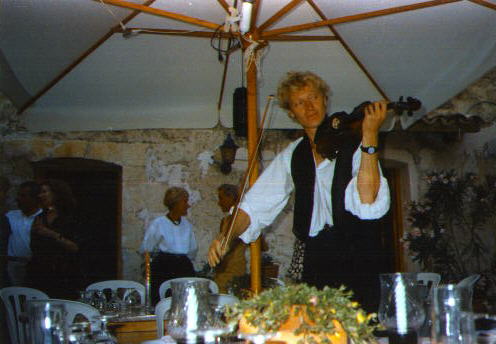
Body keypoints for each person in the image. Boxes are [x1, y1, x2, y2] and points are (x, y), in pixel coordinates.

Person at [208, 71, 390, 311]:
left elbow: (368, 201)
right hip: (318, 261)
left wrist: (370, 136)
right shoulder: (293, 154)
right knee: (317, 330)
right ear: (292, 113)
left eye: (314, 97)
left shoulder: (356, 143)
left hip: (360, 257)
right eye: (299, 103)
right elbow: (254, 206)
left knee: (362, 328)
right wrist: (227, 236)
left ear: (325, 100)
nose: (309, 107)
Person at [26, 179, 82, 299]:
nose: (40, 195)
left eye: (44, 192)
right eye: (39, 192)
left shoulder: (71, 217)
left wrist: (51, 234)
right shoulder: (40, 218)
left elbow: (75, 247)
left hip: (64, 274)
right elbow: (34, 246)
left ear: (56, 193)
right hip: (40, 273)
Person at [141, 187, 197, 305]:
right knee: (162, 301)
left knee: (184, 302)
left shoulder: (187, 225)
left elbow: (192, 249)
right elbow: (147, 248)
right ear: (175, 203)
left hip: (183, 267)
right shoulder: (159, 223)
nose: (188, 205)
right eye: (184, 202)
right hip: (163, 267)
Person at [5, 181, 42, 286]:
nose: (18, 199)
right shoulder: (10, 216)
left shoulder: (42, 218)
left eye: (23, 196)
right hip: (11, 264)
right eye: (18, 195)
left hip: (33, 265)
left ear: (35, 198)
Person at [214, 184, 248, 293]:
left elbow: (263, 246)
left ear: (231, 198)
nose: (219, 203)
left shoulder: (243, 220)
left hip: (235, 269)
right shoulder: (225, 221)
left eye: (221, 198)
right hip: (223, 271)